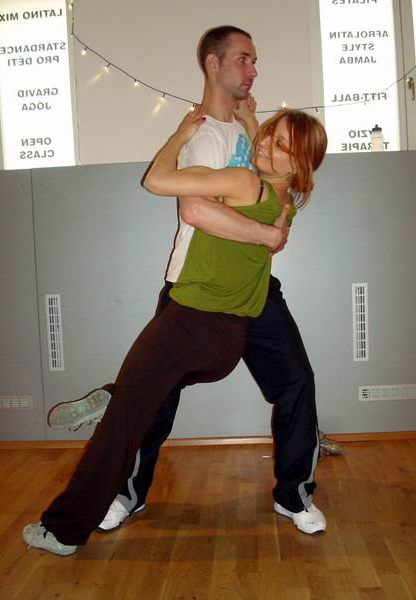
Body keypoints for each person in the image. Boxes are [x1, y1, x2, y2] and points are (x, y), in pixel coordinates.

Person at [47, 26, 326, 538]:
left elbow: (281, 175)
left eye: (255, 60)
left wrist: (259, 136)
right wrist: (268, 233)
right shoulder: (203, 135)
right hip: (197, 288)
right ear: (213, 64)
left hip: (253, 286)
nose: (253, 69)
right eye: (243, 59)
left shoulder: (252, 133)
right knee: (156, 393)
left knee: (296, 380)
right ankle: (126, 493)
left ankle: (294, 494)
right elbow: (195, 209)